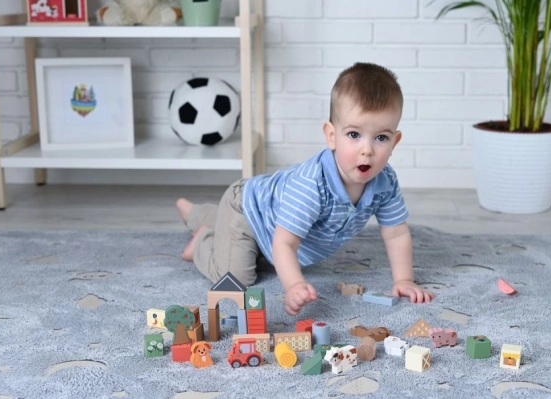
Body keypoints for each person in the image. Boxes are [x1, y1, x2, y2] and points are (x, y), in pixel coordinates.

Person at [176, 62, 434, 315]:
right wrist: (294, 285)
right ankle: (203, 241)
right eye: (354, 135)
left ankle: (200, 214)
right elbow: (285, 243)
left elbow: (397, 234)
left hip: (270, 217)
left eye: (381, 137)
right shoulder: (312, 186)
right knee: (238, 278)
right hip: (246, 208)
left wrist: (404, 280)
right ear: (331, 135)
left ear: (395, 141)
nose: (367, 150)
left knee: (244, 239)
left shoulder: (385, 182)